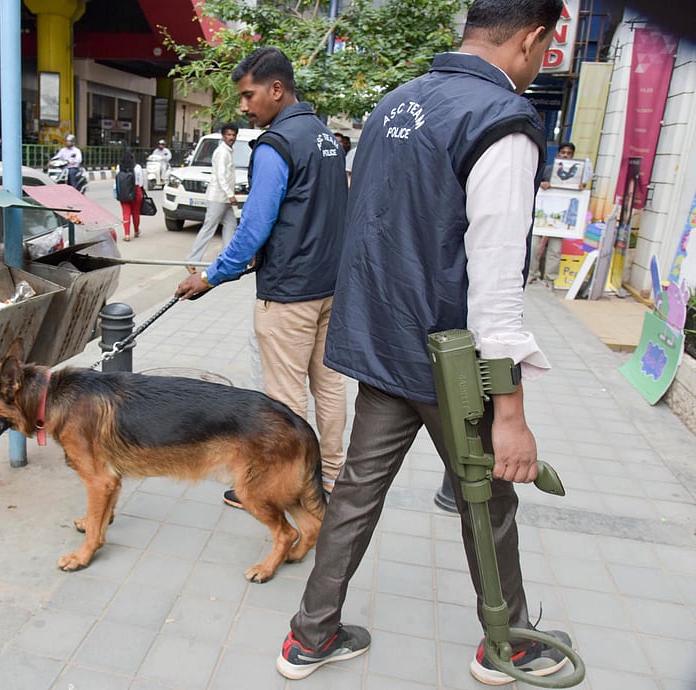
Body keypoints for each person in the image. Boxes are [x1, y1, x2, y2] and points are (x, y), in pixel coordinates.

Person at [276, 0, 574, 684]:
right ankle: (511, 646)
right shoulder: (501, 123)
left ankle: (310, 637)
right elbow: (496, 286)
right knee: (491, 502)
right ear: (532, 39)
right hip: (452, 363)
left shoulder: (395, 104)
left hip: (384, 344)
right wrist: (511, 415)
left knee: (355, 493)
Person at [175, 47, 348, 498]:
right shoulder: (326, 137)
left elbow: (254, 227)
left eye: (249, 95)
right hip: (331, 287)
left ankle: (289, 489)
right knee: (329, 387)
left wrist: (209, 277)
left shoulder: (275, 144)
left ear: (276, 89)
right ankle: (331, 474)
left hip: (290, 294)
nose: (244, 106)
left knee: (285, 400)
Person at [534, 141, 594, 286]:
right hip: (543, 214)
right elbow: (534, 184)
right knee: (534, 246)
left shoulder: (577, 173)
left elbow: (579, 192)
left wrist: (580, 187)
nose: (565, 156)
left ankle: (549, 279)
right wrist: (541, 184)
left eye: (569, 153)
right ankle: (531, 276)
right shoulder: (547, 170)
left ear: (572, 155)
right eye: (563, 153)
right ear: (558, 154)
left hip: (561, 218)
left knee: (555, 250)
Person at [184, 123, 240, 270]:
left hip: (224, 198)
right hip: (218, 197)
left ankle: (227, 260)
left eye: (233, 135)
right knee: (209, 228)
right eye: (228, 135)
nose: (231, 138)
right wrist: (230, 194)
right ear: (223, 136)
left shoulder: (228, 151)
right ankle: (192, 260)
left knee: (231, 226)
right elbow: (221, 176)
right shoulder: (222, 152)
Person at [116, 148, 144, 241]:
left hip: (123, 192)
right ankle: (136, 231)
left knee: (125, 213)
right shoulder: (138, 167)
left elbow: (116, 181)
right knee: (136, 212)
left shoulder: (118, 167)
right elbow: (140, 182)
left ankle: (127, 234)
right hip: (136, 191)